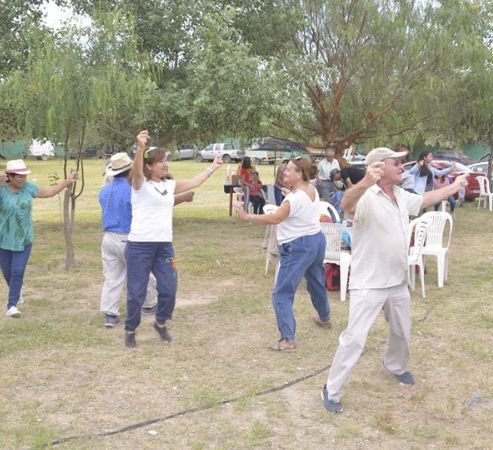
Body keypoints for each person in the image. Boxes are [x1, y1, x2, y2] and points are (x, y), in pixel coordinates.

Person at [321, 147, 468, 413]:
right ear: (379, 167)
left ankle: (395, 366)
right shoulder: (365, 196)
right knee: (354, 339)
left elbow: (424, 199)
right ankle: (331, 390)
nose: (402, 167)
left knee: (401, 332)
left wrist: (454, 186)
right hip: (369, 282)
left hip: (398, 281)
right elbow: (347, 205)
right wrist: (365, 181)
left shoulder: (400, 194)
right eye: (396, 163)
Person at [123, 130, 223, 348]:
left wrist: (213, 167)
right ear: (150, 166)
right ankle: (130, 329)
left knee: (169, 288)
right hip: (139, 246)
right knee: (136, 293)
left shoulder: (168, 185)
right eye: (160, 161)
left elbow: (194, 182)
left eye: (165, 160)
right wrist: (140, 148)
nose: (165, 164)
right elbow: (136, 171)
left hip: (164, 246)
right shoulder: (139, 185)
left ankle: (160, 322)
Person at [233, 156, 331, 352]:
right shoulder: (310, 189)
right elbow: (299, 205)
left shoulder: (294, 198)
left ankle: (288, 340)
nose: (284, 171)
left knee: (282, 293)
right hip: (316, 240)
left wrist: (247, 216)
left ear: (299, 174)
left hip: (298, 246)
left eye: (289, 169)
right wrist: (290, 195)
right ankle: (324, 318)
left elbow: (275, 217)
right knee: (316, 282)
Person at [98, 153, 194, 328]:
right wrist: (183, 198)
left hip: (108, 238)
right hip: (130, 237)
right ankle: (149, 304)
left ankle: (110, 314)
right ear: (130, 170)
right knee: (144, 274)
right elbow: (156, 203)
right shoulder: (133, 188)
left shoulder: (105, 190)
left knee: (112, 277)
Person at [0, 159, 77, 318]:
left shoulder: (28, 188)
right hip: (3, 239)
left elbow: (50, 192)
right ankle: (17, 290)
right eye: (19, 177)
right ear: (9, 176)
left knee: (17, 271)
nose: (23, 179)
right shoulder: (1, 189)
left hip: (24, 238)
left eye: (24, 176)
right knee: (7, 273)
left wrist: (68, 181)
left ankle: (12, 305)